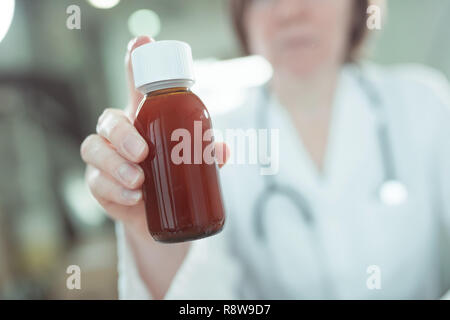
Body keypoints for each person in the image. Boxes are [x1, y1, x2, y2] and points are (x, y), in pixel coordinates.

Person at [80, 0, 450, 299]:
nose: (289, 11)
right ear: (243, 17)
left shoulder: (425, 103)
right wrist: (150, 232)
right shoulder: (202, 138)